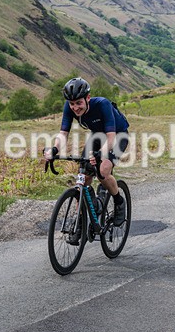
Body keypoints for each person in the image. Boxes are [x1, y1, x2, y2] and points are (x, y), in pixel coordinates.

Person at [44, 77, 130, 234]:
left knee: (103, 170)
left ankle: (119, 202)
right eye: (72, 104)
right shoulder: (69, 108)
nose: (75, 107)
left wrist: (100, 154)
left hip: (118, 135)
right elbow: (63, 134)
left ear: (88, 98)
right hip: (97, 135)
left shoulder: (102, 104)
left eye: (79, 103)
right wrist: (54, 150)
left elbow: (111, 137)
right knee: (83, 176)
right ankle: (81, 222)